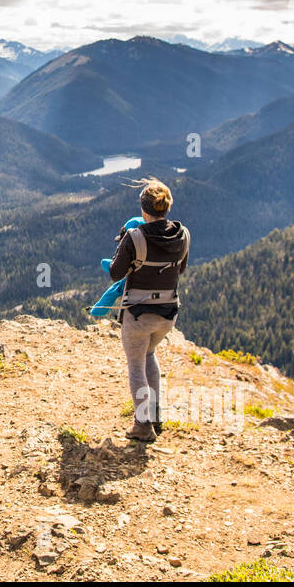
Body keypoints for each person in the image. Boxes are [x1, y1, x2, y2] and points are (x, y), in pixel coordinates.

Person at [104, 177, 190, 443]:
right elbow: (181, 269)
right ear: (167, 207)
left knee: (136, 367)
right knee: (150, 355)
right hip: (168, 314)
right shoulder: (183, 234)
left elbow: (115, 273)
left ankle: (142, 426)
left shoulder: (134, 237)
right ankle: (155, 415)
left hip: (139, 314)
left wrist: (124, 249)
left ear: (143, 210)